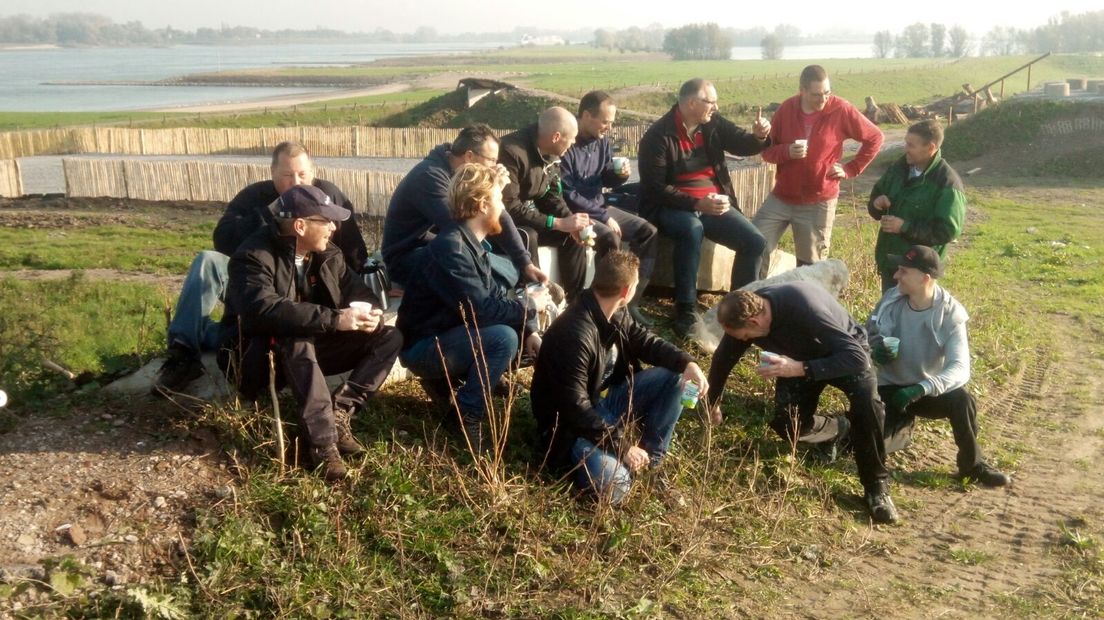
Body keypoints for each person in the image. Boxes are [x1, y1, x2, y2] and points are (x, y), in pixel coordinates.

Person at [153, 141, 367, 394]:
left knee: (254, 326)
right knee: (207, 261)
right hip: (259, 277)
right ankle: (183, 354)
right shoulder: (256, 196)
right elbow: (222, 240)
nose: (296, 183)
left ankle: (208, 333)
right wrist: (271, 215)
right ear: (272, 174)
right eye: (287, 176)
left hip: (305, 285)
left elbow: (354, 251)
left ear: (313, 172)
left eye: (302, 174)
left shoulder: (328, 195)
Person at [224, 184, 402, 482]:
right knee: (294, 336)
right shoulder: (252, 256)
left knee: (389, 337)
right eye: (326, 221)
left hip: (311, 347)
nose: (334, 228)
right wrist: (336, 320)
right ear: (300, 225)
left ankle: (341, 412)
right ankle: (323, 444)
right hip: (258, 359)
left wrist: (370, 314)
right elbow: (264, 311)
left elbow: (356, 289)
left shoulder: (328, 254)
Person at [706, 283, 897, 524]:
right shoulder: (744, 313)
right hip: (800, 360)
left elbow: (858, 359)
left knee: (868, 405)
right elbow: (724, 358)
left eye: (745, 337)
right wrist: (712, 403)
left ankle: (876, 487)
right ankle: (840, 428)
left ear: (754, 322)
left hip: (844, 356)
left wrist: (797, 368)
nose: (743, 341)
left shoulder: (803, 307)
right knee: (788, 425)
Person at [531, 250, 708, 503]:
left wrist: (687, 362)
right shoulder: (574, 334)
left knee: (675, 377)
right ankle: (608, 463)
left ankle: (651, 465)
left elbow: (644, 340)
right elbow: (575, 410)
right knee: (616, 487)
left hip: (607, 404)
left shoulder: (613, 311)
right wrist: (622, 447)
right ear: (626, 291)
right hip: (572, 429)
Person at [397, 164, 540, 453]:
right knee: (503, 338)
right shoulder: (452, 248)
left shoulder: (470, 243)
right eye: (500, 200)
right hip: (422, 348)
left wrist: (531, 331)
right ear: (483, 204)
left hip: (446, 335)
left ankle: (446, 384)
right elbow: (482, 310)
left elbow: (496, 296)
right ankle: (466, 413)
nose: (503, 208)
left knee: (516, 335)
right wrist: (530, 307)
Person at [638, 78, 771, 339]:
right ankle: (685, 309)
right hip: (671, 205)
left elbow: (742, 144)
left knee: (755, 241)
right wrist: (697, 203)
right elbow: (655, 188)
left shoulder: (712, 124)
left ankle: (740, 307)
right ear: (691, 103)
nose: (715, 106)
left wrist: (759, 136)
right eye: (710, 102)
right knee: (691, 228)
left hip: (714, 203)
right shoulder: (658, 136)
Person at [868, 245, 1009, 487]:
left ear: (925, 278)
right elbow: (867, 335)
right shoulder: (891, 300)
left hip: (924, 391)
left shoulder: (951, 313)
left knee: (962, 400)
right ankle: (899, 428)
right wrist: (875, 348)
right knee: (869, 441)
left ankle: (973, 466)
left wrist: (920, 388)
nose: (895, 276)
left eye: (903, 271)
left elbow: (960, 368)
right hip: (889, 389)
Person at [381, 124, 546, 290]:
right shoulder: (430, 177)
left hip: (440, 246)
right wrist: (493, 192)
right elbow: (462, 229)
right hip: (407, 257)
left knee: (509, 269)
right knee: (493, 274)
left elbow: (495, 217)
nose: (496, 166)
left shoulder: (462, 175)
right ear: (469, 156)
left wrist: (525, 264)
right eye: (492, 160)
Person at [754, 65, 883, 274]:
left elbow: (875, 137)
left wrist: (851, 168)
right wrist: (787, 151)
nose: (822, 100)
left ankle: (802, 305)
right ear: (802, 90)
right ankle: (755, 301)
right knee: (755, 245)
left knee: (810, 267)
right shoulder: (787, 109)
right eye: (816, 95)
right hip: (782, 196)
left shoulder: (841, 109)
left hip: (818, 200)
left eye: (827, 93)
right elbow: (767, 152)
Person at [560, 91, 658, 325]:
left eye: (612, 122)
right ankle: (603, 305)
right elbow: (567, 193)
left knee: (648, 232)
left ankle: (630, 302)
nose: (609, 127)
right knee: (610, 238)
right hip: (577, 212)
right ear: (586, 115)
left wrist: (618, 176)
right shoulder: (567, 143)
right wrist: (603, 216)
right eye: (605, 121)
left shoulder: (602, 141)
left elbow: (605, 179)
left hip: (599, 204)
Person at [499, 106, 590, 301]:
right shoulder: (511, 152)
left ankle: (575, 303)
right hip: (502, 222)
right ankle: (535, 305)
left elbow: (550, 196)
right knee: (527, 235)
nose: (574, 143)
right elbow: (510, 208)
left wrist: (570, 222)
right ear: (556, 137)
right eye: (572, 138)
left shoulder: (552, 153)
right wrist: (557, 223)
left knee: (571, 236)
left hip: (528, 214)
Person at [868, 120, 966, 291]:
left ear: (930, 147)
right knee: (890, 314)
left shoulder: (947, 183)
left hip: (919, 272)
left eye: (911, 145)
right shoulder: (898, 169)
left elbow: (947, 231)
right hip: (890, 264)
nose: (905, 148)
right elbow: (876, 196)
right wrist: (877, 204)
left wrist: (904, 227)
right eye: (906, 143)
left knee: (913, 315)